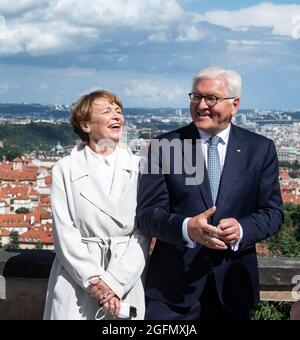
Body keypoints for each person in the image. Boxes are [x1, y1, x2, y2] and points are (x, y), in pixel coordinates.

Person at [136, 66, 283, 320]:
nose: (201, 105)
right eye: (195, 96)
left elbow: (273, 213)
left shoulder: (260, 149)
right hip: (172, 291)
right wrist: (187, 228)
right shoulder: (162, 147)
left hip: (232, 289)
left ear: (234, 104)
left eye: (211, 98)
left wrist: (243, 229)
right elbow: (147, 214)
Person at [43, 90, 149, 320]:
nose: (116, 116)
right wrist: (96, 283)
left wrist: (114, 283)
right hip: (77, 278)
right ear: (86, 125)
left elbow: (144, 231)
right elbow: (64, 233)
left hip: (125, 275)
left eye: (118, 111)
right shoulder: (65, 168)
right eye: (106, 111)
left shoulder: (141, 166)